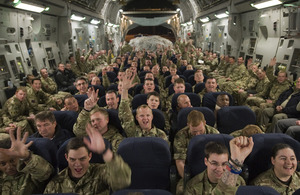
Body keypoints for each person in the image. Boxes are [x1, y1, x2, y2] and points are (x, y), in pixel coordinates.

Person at [44, 125, 131, 194]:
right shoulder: (57, 183)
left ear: (89, 156)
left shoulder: (101, 172)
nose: (77, 164)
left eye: (82, 159)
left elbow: (122, 182)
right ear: (66, 158)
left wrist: (105, 152)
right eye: (72, 159)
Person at [185, 136, 254, 195]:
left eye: (224, 164)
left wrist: (237, 159)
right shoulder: (192, 186)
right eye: (214, 163)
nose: (220, 169)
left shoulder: (239, 181)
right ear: (206, 161)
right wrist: (235, 164)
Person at [174, 110, 219, 194]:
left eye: (200, 131)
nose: (198, 134)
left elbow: (220, 156)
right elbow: (180, 161)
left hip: (212, 168)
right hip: (191, 171)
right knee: (181, 189)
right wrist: (188, 178)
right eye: (194, 132)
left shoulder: (214, 134)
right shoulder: (181, 136)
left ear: (204, 123)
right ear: (188, 125)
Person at [0, 127, 54, 194]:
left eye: (12, 161)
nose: (9, 167)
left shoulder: (30, 172)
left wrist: (27, 157)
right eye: (3, 164)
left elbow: (45, 173)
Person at [119, 69, 168, 142]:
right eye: (141, 116)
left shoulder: (161, 135)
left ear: (152, 117)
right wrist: (124, 90)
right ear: (137, 117)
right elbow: (125, 114)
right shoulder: (132, 131)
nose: (145, 118)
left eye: (148, 115)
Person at [73, 88, 124, 152]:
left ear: (107, 120)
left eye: (98, 120)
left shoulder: (116, 139)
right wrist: (86, 110)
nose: (95, 123)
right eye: (93, 121)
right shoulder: (90, 133)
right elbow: (78, 131)